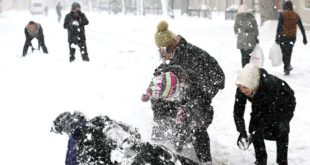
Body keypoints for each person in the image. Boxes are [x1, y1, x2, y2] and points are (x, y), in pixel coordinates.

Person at [142, 20, 225, 164]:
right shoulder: (171, 60)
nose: (161, 55)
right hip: (185, 95)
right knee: (166, 113)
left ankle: (205, 161)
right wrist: (153, 93)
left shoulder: (190, 57)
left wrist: (198, 99)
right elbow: (159, 82)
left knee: (195, 122)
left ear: (169, 48)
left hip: (201, 95)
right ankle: (172, 146)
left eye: (161, 51)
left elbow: (219, 79)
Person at [51, 111, 200, 165]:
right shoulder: (101, 119)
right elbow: (134, 132)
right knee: (170, 157)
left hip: (126, 160)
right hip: (144, 151)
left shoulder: (76, 142)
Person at [233, 63, 296, 165]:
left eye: (245, 88)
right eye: (240, 87)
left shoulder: (268, 85)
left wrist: (283, 121)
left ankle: (282, 161)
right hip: (263, 102)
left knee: (281, 129)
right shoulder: (243, 85)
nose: (242, 90)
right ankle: (261, 160)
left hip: (284, 102)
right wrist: (242, 132)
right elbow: (238, 112)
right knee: (254, 128)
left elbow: (264, 114)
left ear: (252, 84)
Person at [275, 0, 307, 75]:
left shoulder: (282, 14)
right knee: (289, 52)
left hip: (283, 37)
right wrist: (304, 37)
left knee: (284, 53)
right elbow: (301, 27)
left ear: (285, 6)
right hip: (292, 37)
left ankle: (286, 66)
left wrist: (277, 37)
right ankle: (287, 67)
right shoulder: (295, 15)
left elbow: (279, 27)